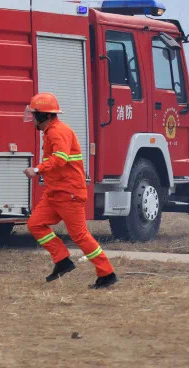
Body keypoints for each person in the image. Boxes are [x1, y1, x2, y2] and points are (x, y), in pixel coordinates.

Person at [23, 92, 118, 289]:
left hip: (69, 193)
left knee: (80, 236)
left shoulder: (57, 132)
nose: (32, 118)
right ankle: (62, 260)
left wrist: (37, 169)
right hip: (55, 193)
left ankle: (107, 273)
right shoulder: (51, 131)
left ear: (46, 116)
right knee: (35, 224)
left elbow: (60, 159)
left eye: (35, 114)